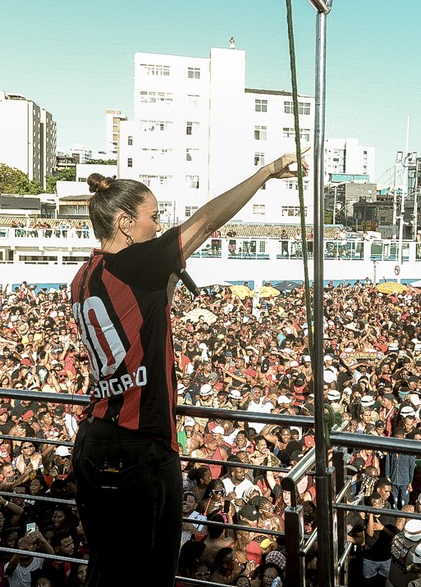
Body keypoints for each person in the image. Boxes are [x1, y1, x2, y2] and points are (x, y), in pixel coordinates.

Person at [71, 154, 301, 587]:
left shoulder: (84, 275)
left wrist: (169, 277)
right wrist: (265, 173)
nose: (158, 227)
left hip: (97, 440)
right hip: (137, 450)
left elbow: (142, 317)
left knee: (108, 568)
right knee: (146, 576)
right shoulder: (136, 262)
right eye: (153, 217)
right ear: (124, 223)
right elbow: (208, 219)